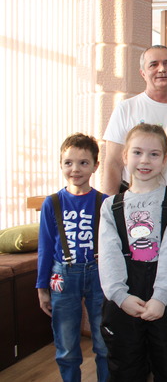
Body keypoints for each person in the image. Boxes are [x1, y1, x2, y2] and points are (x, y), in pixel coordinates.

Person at [98, 123, 167, 381]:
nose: (144, 160)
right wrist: (120, 296)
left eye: (154, 154)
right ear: (125, 156)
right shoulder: (110, 206)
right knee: (125, 365)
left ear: (164, 159)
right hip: (124, 292)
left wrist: (160, 297)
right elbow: (108, 256)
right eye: (137, 152)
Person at [36, 133, 108, 382]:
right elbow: (45, 247)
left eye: (83, 163)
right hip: (63, 276)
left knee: (104, 342)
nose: (75, 169)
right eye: (68, 162)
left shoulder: (104, 202)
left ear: (95, 166)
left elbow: (113, 246)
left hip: (98, 274)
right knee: (66, 345)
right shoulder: (52, 203)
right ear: (61, 164)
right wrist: (42, 288)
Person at [102, 45, 167, 195]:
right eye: (154, 64)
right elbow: (113, 163)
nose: (162, 69)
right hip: (135, 198)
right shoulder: (126, 109)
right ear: (143, 73)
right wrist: (110, 203)